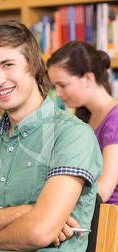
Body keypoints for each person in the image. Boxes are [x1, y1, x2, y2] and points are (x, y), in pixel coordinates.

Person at [0, 20, 103, 252]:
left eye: (8, 65)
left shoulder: (73, 136)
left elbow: (40, 231)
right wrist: (25, 211)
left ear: (34, 65)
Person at [47, 40, 118, 204]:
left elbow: (103, 190)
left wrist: (54, 201)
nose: (57, 93)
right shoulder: (83, 116)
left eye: (62, 85)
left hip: (107, 221)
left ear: (88, 78)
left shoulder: (115, 119)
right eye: (55, 86)